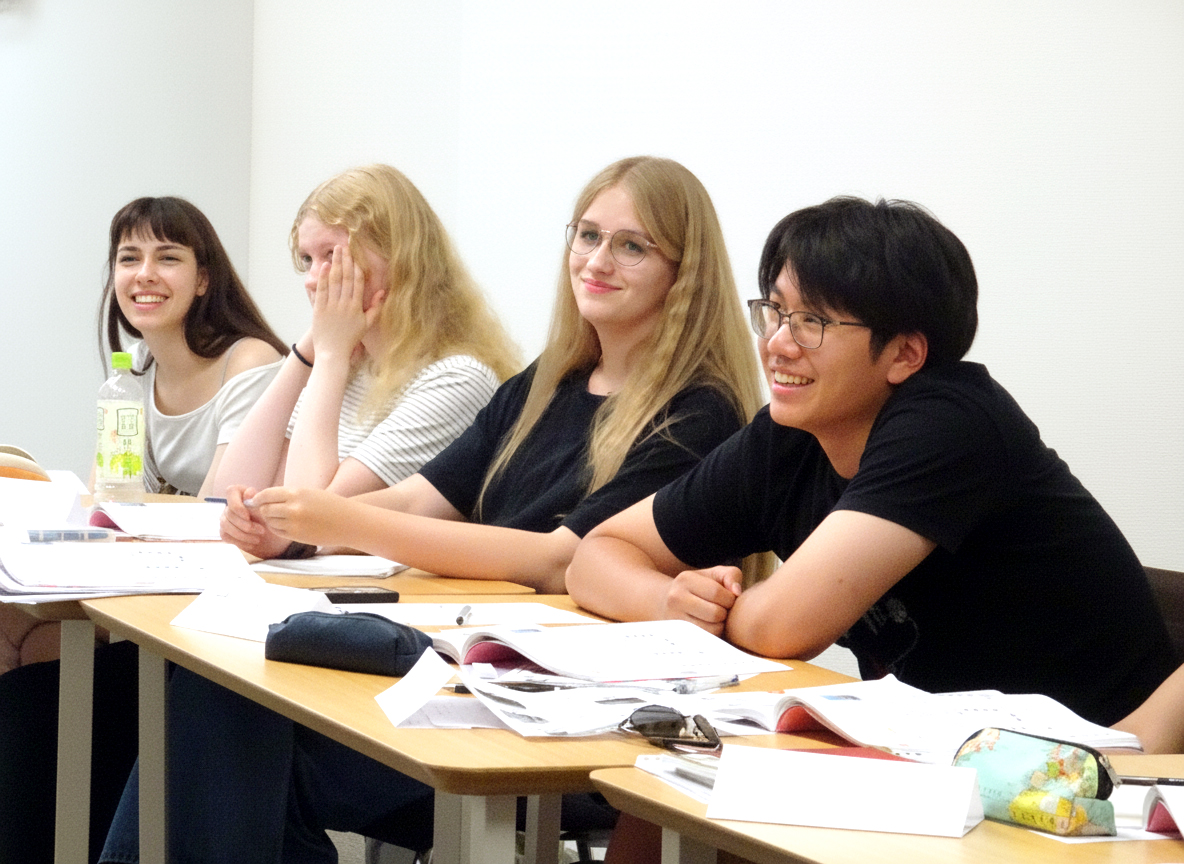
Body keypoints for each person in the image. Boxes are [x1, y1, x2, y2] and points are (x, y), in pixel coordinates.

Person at [99, 155, 765, 863]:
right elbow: (423, 499)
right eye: (588, 235)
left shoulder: (697, 412)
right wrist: (296, 532)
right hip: (471, 669)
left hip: (564, 714)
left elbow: (557, 560)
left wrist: (337, 520)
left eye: (632, 245)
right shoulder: (547, 383)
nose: (598, 260)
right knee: (219, 706)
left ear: (682, 272)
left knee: (225, 731)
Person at [568, 195, 1176, 727]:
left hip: (1096, 781)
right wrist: (671, 604)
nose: (777, 343)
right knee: (668, 784)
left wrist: (723, 613)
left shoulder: (952, 422)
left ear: (905, 354)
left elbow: (784, 629)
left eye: (812, 322)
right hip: (940, 758)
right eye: (776, 312)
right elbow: (595, 557)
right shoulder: (790, 433)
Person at [0, 195, 287, 864]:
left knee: (40, 664)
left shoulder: (249, 363)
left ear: (205, 277)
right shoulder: (134, 379)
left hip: (215, 602)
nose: (144, 274)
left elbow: (220, 505)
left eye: (168, 257)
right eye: (129, 258)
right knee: (14, 632)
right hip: (153, 581)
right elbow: (107, 499)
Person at [210, 164, 521, 560]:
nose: (312, 278)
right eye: (307, 259)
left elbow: (312, 517)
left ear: (401, 260)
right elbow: (230, 491)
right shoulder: (346, 362)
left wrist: (328, 355)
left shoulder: (457, 378)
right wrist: (307, 352)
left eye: (332, 257)